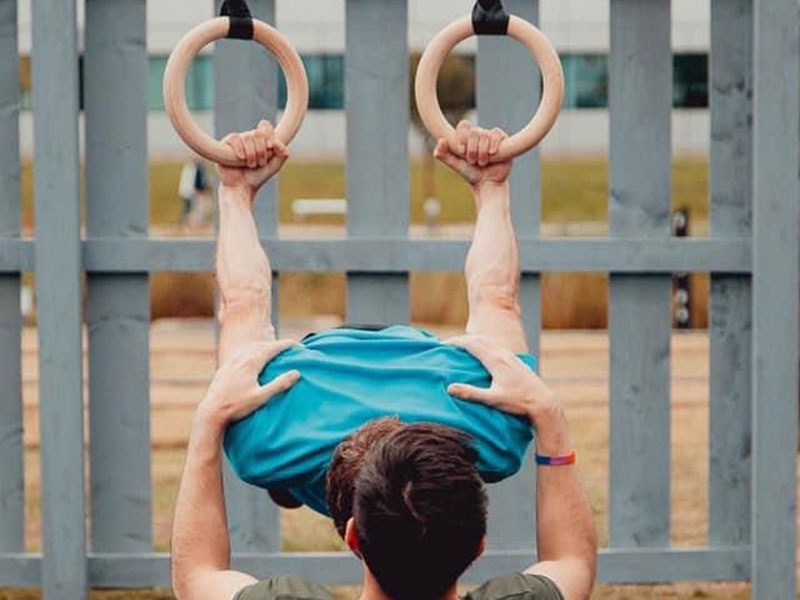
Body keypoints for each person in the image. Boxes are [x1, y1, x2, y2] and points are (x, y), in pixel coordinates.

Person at [170, 121, 597, 599]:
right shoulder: (263, 439)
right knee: (245, 312)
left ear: (352, 534)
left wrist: (544, 414)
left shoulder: (497, 431)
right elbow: (573, 560)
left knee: (495, 302)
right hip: (313, 398)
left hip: (439, 396)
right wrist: (211, 425)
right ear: (478, 546)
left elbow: (195, 578)